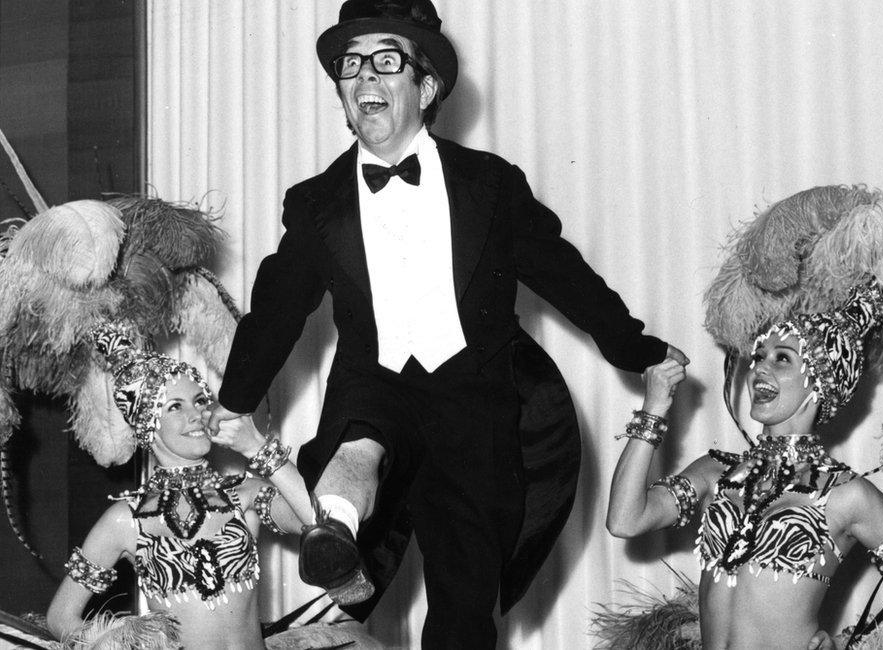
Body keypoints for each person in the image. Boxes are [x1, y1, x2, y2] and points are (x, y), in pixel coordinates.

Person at [206, 0, 686, 646]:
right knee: (358, 443)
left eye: (385, 61)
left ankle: (360, 543)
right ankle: (337, 530)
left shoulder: (489, 186)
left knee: (464, 607)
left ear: (426, 85)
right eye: (351, 67)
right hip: (375, 387)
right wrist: (231, 404)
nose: (365, 80)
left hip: (472, 408)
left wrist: (636, 348)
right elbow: (276, 310)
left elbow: (563, 274)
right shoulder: (318, 205)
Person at [604, 184, 883, 649]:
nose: (759, 367)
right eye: (759, 356)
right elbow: (625, 519)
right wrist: (653, 407)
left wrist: (849, 643)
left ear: (822, 380)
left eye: (781, 358)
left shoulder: (848, 496)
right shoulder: (718, 472)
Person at [45, 324, 315, 649]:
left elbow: (319, 520)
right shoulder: (125, 519)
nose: (198, 414)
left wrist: (255, 447)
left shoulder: (244, 495)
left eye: (200, 401)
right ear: (148, 427)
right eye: (175, 406)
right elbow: (60, 618)